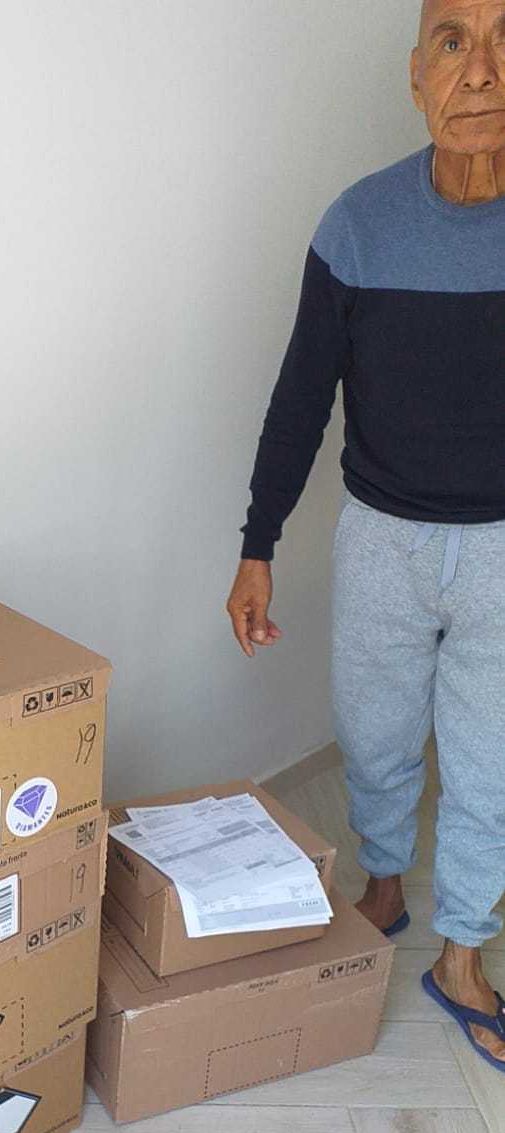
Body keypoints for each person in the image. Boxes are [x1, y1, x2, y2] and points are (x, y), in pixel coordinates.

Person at [226, 0, 505, 1071]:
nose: (479, 72)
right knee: (374, 734)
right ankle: (383, 883)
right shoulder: (357, 226)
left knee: (489, 763)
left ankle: (463, 957)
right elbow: (300, 397)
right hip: (384, 539)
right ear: (416, 75)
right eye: (453, 42)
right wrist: (257, 544)